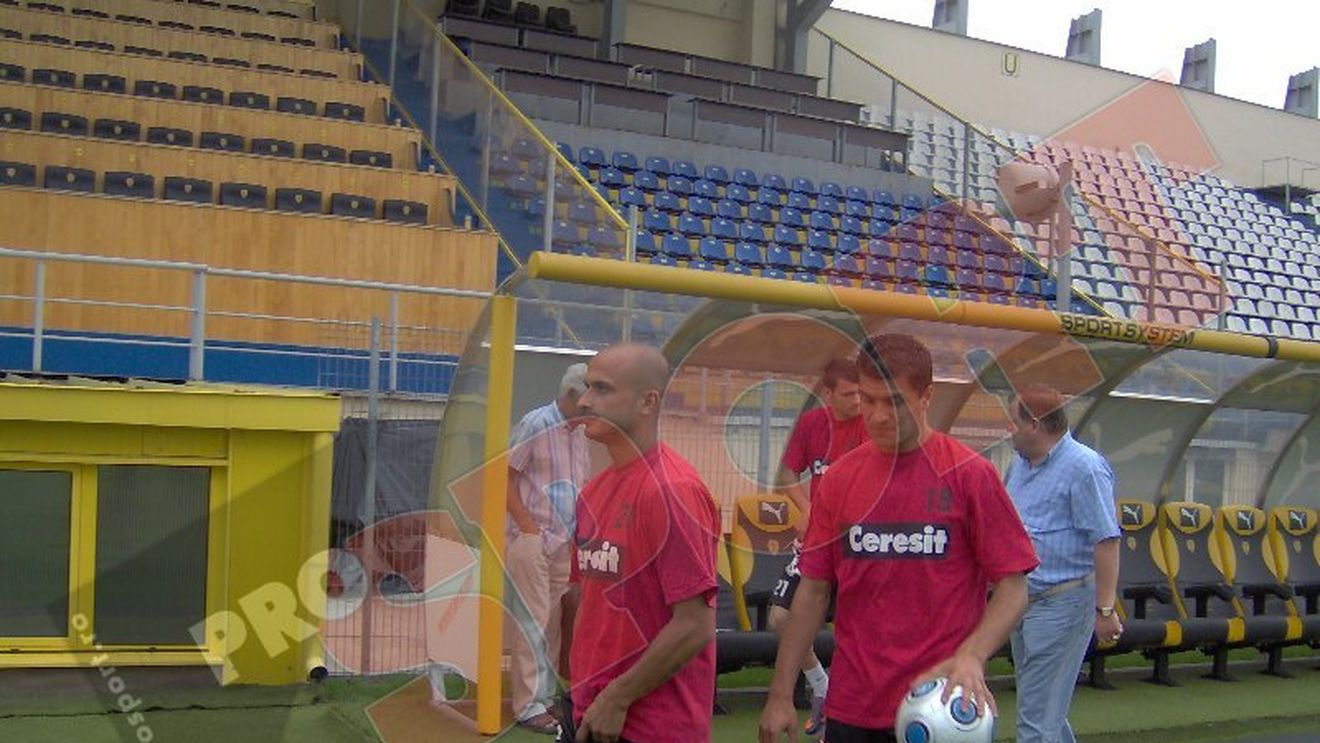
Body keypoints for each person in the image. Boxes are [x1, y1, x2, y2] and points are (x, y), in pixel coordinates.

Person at [759, 333, 1039, 743]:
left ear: (927, 396)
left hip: (939, 707)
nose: (877, 415)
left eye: (893, 402)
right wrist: (781, 693)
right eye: (868, 400)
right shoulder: (838, 480)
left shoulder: (970, 476)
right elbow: (814, 591)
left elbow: (1014, 588)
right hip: (853, 707)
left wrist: (972, 656)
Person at [568, 343, 722, 743]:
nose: (585, 400)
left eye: (601, 389)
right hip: (592, 713)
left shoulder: (672, 491)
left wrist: (617, 697)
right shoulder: (593, 492)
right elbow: (586, 599)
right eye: (586, 387)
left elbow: (695, 625)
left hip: (652, 726)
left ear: (647, 402)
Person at [1004, 383, 1121, 743]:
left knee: (1036, 723)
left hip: (1063, 603)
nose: (1008, 430)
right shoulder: (1018, 466)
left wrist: (1105, 610)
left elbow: (1106, 540)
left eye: (1013, 422)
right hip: (1023, 602)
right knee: (1044, 711)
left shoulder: (1085, 468)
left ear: (1035, 424)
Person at [769, 358, 866, 737]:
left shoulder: (869, 426)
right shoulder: (813, 423)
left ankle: (842, 706)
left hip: (857, 545)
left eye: (861, 392)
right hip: (816, 541)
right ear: (828, 394)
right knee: (780, 618)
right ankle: (822, 688)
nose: (858, 401)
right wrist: (807, 509)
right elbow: (787, 474)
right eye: (848, 394)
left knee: (851, 628)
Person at [506, 363, 592, 734]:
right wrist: (527, 529)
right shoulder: (535, 423)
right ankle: (528, 706)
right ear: (572, 395)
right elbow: (504, 477)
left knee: (553, 620)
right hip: (532, 539)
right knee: (533, 619)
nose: (594, 409)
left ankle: (544, 697)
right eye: (589, 400)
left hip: (563, 541)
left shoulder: (580, 434)